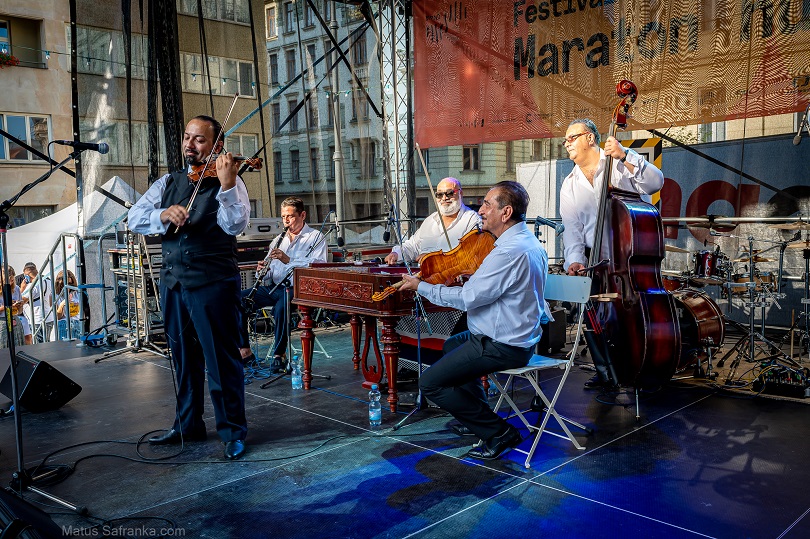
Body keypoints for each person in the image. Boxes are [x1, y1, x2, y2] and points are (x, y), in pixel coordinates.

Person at [127, 115, 250, 461]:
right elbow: (134, 218)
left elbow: (235, 224)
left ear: (217, 147)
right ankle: (187, 425)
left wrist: (226, 186)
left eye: (199, 140)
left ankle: (232, 432)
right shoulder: (169, 181)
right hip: (174, 282)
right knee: (182, 358)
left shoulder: (231, 181)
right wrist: (163, 214)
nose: (189, 145)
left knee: (220, 360)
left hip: (213, 283)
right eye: (187, 138)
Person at [400, 181, 550, 461]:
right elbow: (498, 288)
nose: (480, 210)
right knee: (451, 345)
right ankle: (479, 417)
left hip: (501, 345)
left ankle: (497, 432)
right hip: (518, 337)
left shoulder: (507, 252)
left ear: (505, 213)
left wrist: (421, 287)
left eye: (486, 205)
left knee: (430, 383)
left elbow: (469, 299)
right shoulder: (527, 243)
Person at [558, 118, 664, 389]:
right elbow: (573, 229)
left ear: (590, 138)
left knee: (633, 311)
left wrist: (626, 154)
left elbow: (655, 183)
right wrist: (575, 261)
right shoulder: (569, 184)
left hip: (627, 255)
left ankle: (642, 361)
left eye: (572, 138)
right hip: (596, 260)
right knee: (592, 313)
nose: (566, 144)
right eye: (565, 140)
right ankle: (605, 370)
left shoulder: (617, 162)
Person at [238, 197, 328, 372]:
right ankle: (245, 351)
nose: (286, 221)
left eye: (290, 216)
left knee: (281, 308)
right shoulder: (279, 240)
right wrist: (261, 270)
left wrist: (288, 260)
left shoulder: (315, 237)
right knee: (238, 299)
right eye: (283, 216)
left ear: (302, 215)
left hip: (300, 288)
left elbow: (318, 266)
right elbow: (268, 275)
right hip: (275, 287)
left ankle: (279, 355)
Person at [384, 177, 480, 264]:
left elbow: (471, 253)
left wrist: (432, 259)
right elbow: (412, 246)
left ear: (460, 194)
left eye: (450, 193)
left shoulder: (472, 219)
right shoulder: (430, 220)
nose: (444, 198)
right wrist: (396, 254)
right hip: (422, 278)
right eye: (439, 194)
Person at [20, 262, 54, 343]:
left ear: (27, 276)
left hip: (37, 319)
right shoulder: (48, 281)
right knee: (47, 341)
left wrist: (22, 288)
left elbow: (21, 301)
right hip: (49, 317)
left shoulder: (33, 286)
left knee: (39, 344)